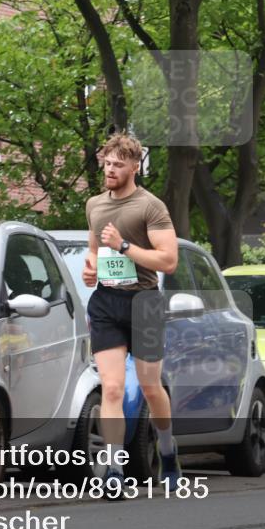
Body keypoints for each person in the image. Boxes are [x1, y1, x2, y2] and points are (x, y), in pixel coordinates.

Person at [82, 132, 180, 499]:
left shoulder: (150, 207)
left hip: (145, 303)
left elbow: (168, 260)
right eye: (107, 163)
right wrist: (90, 270)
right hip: (107, 301)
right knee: (111, 387)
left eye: (118, 165)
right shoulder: (94, 205)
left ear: (134, 167)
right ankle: (114, 469)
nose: (110, 170)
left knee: (152, 388)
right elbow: (93, 252)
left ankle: (168, 451)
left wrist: (124, 245)